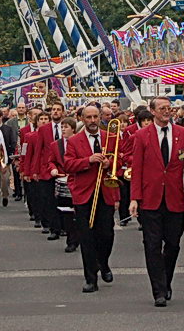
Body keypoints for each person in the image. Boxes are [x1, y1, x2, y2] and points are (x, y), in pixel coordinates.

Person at [128, 96, 184, 307]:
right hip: (150, 200)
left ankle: (166, 280)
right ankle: (158, 290)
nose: (166, 111)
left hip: (174, 198)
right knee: (151, 245)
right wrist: (134, 198)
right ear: (152, 111)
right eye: (162, 108)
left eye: (169, 108)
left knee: (173, 244)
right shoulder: (142, 136)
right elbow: (137, 170)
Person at [65, 106, 119, 292]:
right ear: (82, 119)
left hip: (106, 192)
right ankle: (90, 278)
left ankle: (102, 263)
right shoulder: (74, 141)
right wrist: (88, 160)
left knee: (107, 234)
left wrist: (108, 163)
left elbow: (119, 160)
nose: (93, 120)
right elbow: (68, 164)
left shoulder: (109, 137)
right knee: (86, 237)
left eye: (96, 116)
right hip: (84, 194)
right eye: (89, 117)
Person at [29, 102, 66, 236]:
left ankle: (64, 227)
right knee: (49, 200)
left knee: (63, 200)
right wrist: (35, 171)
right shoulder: (44, 129)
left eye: (58, 110)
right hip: (46, 169)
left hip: (64, 169)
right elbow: (38, 150)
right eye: (54, 110)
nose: (55, 112)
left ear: (63, 112)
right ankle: (53, 228)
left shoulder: (67, 126)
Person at [48, 117, 80, 255]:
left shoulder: (80, 142)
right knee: (65, 211)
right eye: (62, 127)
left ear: (73, 129)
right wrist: (53, 168)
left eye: (66, 127)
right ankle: (71, 240)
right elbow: (51, 161)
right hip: (62, 180)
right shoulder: (56, 144)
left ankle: (78, 236)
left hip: (77, 180)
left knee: (78, 211)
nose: (63, 130)